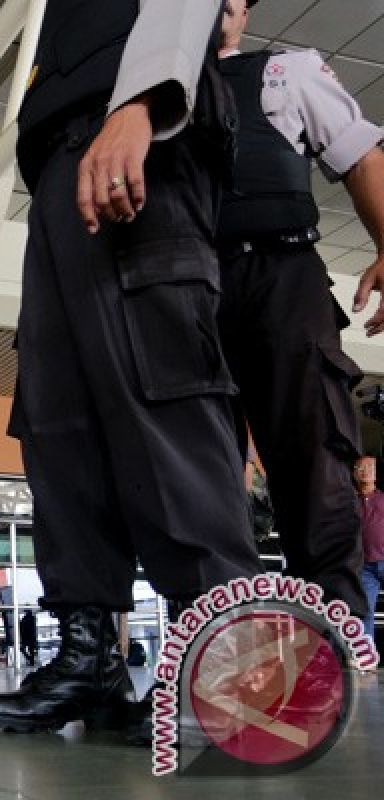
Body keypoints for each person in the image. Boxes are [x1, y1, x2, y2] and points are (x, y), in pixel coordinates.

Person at [0, 1, 264, 732]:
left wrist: (141, 105)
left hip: (144, 143)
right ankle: (89, 657)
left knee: (161, 398)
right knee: (58, 421)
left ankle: (223, 667)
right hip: (59, 175)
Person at [215, 0, 384, 617]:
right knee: (199, 477)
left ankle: (334, 636)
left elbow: (362, 155)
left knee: (315, 459)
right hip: (183, 287)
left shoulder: (287, 73)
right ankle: (216, 646)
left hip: (282, 277)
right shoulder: (144, 93)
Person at [354, 457, 384, 640]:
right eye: (360, 467)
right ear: (354, 473)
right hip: (365, 567)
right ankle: (367, 657)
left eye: (370, 467)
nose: (365, 470)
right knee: (365, 612)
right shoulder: (348, 502)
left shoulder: (383, 499)